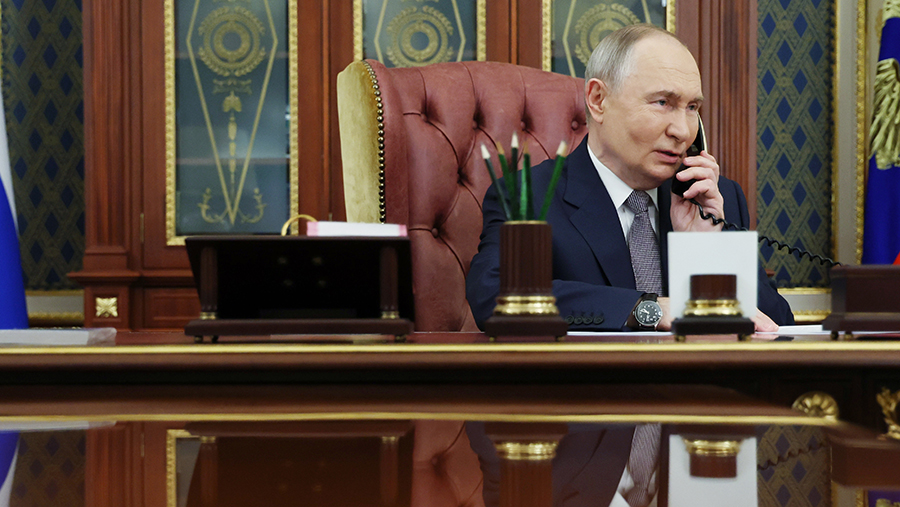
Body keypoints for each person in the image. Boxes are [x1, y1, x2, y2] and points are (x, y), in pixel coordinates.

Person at [466, 24, 794, 333]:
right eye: (663, 102)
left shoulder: (711, 197)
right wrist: (647, 309)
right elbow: (496, 295)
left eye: (692, 107)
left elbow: (778, 325)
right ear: (598, 100)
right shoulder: (530, 197)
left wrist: (707, 251)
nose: (682, 131)